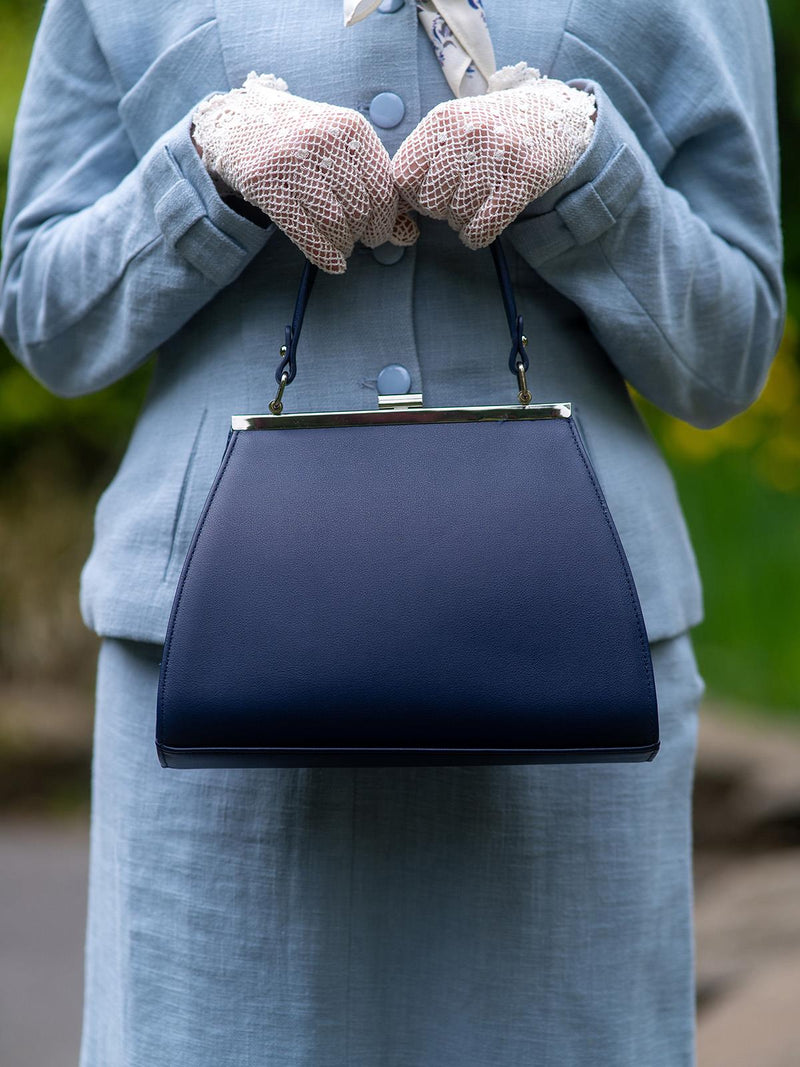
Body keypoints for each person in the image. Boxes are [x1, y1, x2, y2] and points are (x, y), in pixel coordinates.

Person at [0, 0, 784, 1063]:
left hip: (566, 684)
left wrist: (590, 174)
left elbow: (724, 357)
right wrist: (204, 174)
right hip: (213, 687)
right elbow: (50, 317)